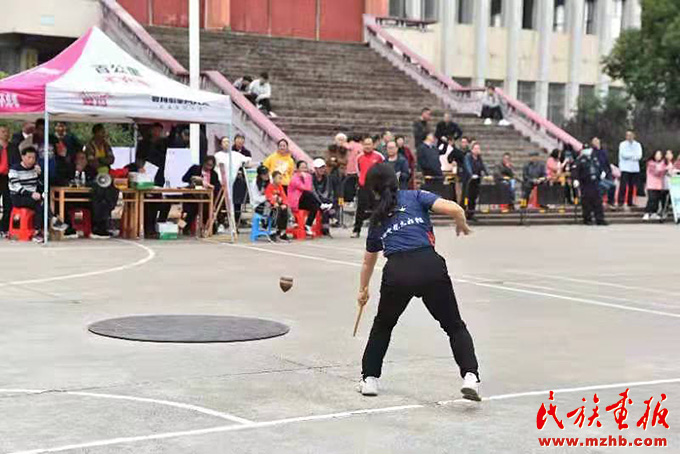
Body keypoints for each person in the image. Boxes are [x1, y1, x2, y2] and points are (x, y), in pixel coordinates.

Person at [356, 163, 480, 400]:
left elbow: (367, 262)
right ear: (397, 180)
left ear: (373, 190)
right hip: (429, 265)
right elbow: (454, 209)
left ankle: (369, 379)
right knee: (454, 325)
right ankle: (471, 377)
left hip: (397, 272)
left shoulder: (376, 220)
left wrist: (363, 290)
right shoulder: (416, 196)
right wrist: (462, 224)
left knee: (383, 325)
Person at [56, 150, 118, 238]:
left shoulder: (91, 170)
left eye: (83, 158)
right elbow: (62, 181)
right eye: (78, 159)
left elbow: (97, 182)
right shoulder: (69, 169)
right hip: (70, 197)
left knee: (100, 199)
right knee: (61, 203)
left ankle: (98, 228)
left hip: (87, 198)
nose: (80, 161)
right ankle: (68, 228)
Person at [214, 136, 252, 227]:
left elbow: (248, 160)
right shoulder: (217, 155)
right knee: (221, 203)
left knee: (234, 203)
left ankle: (234, 223)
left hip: (233, 182)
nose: (226, 143)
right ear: (221, 144)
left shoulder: (235, 155)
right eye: (224, 142)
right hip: (221, 183)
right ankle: (220, 223)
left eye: (228, 141)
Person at [352, 136, 384, 238]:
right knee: (360, 209)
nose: (367, 146)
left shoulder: (379, 156)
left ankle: (377, 231)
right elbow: (358, 171)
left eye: (369, 144)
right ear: (362, 145)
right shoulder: (359, 157)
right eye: (365, 144)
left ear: (373, 145)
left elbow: (383, 170)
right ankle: (356, 230)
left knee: (377, 208)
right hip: (363, 186)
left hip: (376, 187)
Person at [289, 161, 331, 237]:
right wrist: (305, 177)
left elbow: (310, 188)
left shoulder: (308, 176)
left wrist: (306, 177)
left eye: (305, 167)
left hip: (305, 201)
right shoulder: (295, 178)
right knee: (308, 193)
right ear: (297, 169)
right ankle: (322, 205)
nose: (304, 169)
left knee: (315, 206)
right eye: (302, 167)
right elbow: (306, 188)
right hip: (296, 202)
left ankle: (308, 225)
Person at [181, 156, 221, 235]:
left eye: (211, 165)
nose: (208, 167)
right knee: (192, 209)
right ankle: (185, 227)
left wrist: (211, 186)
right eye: (207, 165)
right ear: (204, 163)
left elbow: (217, 186)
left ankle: (209, 227)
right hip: (193, 195)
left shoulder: (213, 174)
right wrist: (193, 179)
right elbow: (184, 178)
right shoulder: (195, 168)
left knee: (206, 208)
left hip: (206, 196)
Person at [573, 146, 607, 225]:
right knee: (586, 202)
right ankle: (587, 219)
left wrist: (602, 172)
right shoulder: (580, 160)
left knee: (598, 201)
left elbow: (599, 167)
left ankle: (600, 219)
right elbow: (575, 170)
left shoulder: (594, 159)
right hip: (585, 183)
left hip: (595, 183)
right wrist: (575, 179)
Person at [617, 130, 643, 209]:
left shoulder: (637, 144)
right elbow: (624, 155)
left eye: (631, 135)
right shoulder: (622, 144)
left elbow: (639, 156)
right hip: (625, 167)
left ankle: (630, 201)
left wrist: (631, 156)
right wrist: (633, 156)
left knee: (632, 186)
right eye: (628, 135)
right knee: (623, 185)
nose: (629, 137)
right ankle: (620, 201)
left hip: (634, 168)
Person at [463, 142, 488, 220]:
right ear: (472, 149)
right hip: (469, 180)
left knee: (474, 197)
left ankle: (471, 214)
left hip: (477, 180)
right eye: (476, 148)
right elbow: (467, 166)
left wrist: (487, 174)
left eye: (478, 148)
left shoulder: (479, 158)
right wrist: (471, 174)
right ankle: (465, 213)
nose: (478, 150)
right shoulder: (468, 157)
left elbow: (483, 166)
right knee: (468, 197)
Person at [312, 158, 336, 236]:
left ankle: (325, 229)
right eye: (320, 168)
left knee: (328, 205)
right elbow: (313, 192)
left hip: (325, 199)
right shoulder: (311, 178)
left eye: (323, 167)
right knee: (326, 205)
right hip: (315, 199)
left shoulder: (327, 178)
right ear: (315, 169)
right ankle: (333, 217)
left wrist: (327, 199)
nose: (322, 170)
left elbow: (329, 191)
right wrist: (321, 201)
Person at [264, 171, 291, 241]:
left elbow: (284, 196)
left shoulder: (280, 187)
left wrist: (284, 204)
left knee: (285, 210)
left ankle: (283, 232)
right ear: (273, 178)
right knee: (276, 211)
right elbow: (268, 196)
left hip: (279, 204)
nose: (280, 180)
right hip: (270, 206)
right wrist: (274, 202)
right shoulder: (269, 187)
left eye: (281, 178)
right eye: (279, 178)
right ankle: (272, 231)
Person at [643, 150, 667, 221]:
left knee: (657, 199)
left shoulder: (663, 163)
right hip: (651, 184)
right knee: (651, 199)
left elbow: (662, 173)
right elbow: (656, 172)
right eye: (657, 154)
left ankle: (654, 213)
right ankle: (647, 213)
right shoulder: (650, 163)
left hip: (659, 185)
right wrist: (664, 169)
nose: (658, 156)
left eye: (660, 155)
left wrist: (664, 169)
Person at [592, 137, 616, 208]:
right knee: (602, 187)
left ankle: (610, 202)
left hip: (606, 172)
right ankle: (599, 202)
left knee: (613, 186)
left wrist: (609, 172)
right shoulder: (593, 153)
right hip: (597, 175)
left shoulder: (604, 152)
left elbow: (607, 163)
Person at [447, 136, 471, 204]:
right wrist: (453, 162)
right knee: (459, 190)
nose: (464, 144)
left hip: (468, 173)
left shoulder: (469, 152)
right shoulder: (456, 151)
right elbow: (449, 159)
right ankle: (459, 203)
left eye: (465, 142)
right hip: (460, 173)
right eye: (462, 142)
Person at [0, 125, 11, 236]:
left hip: (8, 178)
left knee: (8, 203)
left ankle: (3, 227)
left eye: (7, 132)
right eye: (3, 131)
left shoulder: (12, 147)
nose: (5, 134)